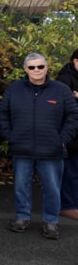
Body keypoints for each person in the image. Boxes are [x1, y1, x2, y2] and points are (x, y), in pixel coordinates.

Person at [0, 53, 78, 240]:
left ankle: (50, 221)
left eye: (40, 66)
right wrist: (11, 136)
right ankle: (22, 217)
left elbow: (73, 116)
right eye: (32, 67)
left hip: (52, 150)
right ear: (25, 69)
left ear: (47, 68)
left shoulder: (61, 90)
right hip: (21, 149)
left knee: (52, 188)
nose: (36, 71)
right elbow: (2, 114)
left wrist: (62, 139)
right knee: (21, 186)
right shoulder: (14, 89)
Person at [56, 49, 78, 221]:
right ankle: (67, 206)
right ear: (75, 61)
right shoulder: (65, 79)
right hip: (71, 134)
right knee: (69, 171)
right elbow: (66, 106)